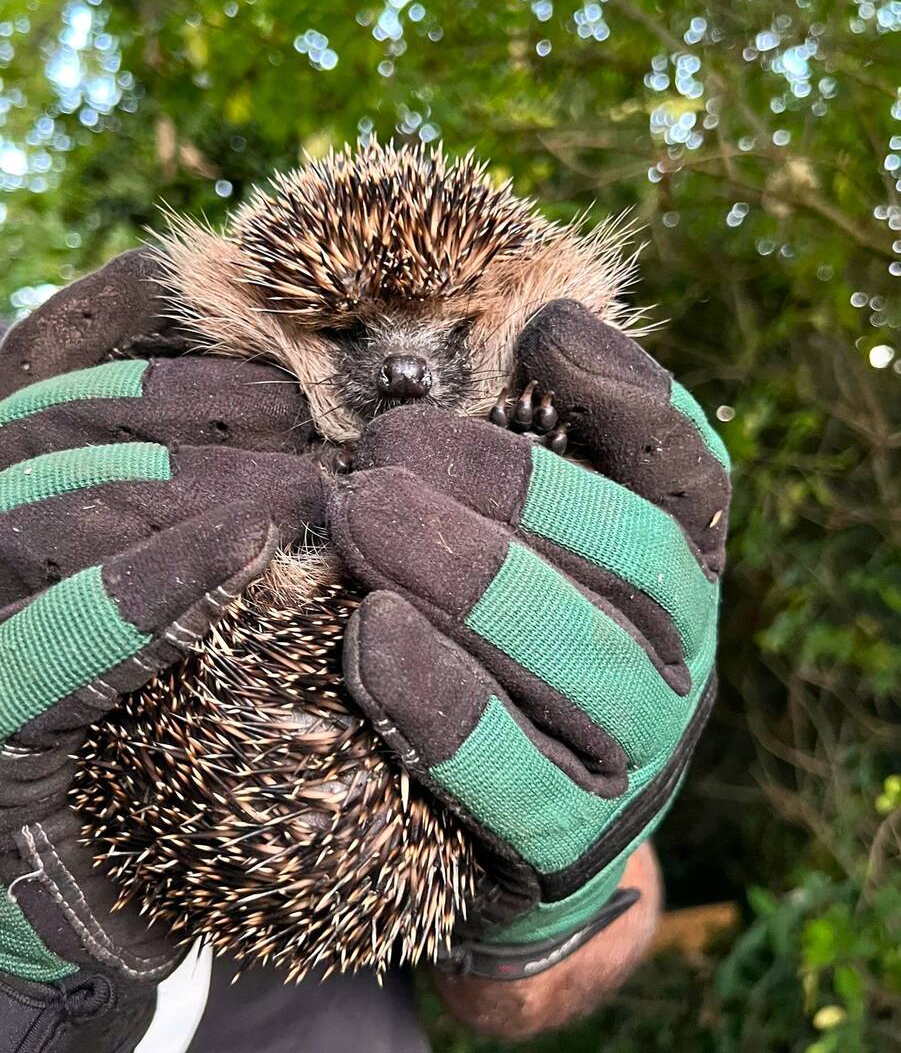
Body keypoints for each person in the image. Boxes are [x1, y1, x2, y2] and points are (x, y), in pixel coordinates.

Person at [0, 250, 730, 1052]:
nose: (408, 371)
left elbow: (526, 999)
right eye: (348, 333)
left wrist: (567, 905)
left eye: (451, 336)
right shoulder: (75, 416)